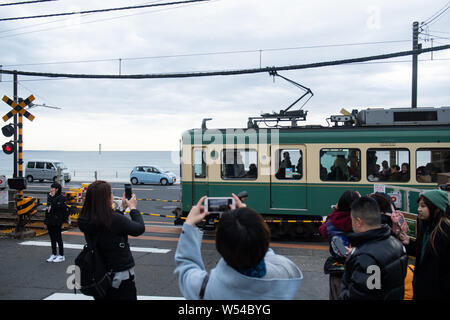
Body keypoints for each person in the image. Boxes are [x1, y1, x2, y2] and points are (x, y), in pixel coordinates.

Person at [174, 194, 303, 299]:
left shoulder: (204, 288)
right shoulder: (287, 271)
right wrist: (248, 221)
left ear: (220, 246)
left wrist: (189, 225)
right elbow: (266, 254)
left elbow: (186, 266)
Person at [78, 180, 145, 300]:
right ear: (106, 199)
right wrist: (133, 208)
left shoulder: (84, 219)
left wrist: (122, 208)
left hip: (100, 277)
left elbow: (108, 226)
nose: (112, 196)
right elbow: (138, 229)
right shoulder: (114, 220)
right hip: (120, 279)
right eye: (111, 194)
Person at [339, 196, 408, 300]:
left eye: (352, 220)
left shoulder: (366, 257)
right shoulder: (397, 244)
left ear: (358, 221)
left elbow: (359, 296)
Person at [405, 189, 450, 299]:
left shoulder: (445, 231)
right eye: (419, 206)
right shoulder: (426, 227)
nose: (419, 209)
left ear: (436, 208)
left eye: (423, 206)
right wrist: (407, 242)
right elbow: (421, 254)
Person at [319, 190, 360, 300]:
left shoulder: (334, 221)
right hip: (358, 268)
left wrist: (335, 211)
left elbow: (323, 230)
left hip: (339, 270)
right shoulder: (360, 221)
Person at [44, 182, 67, 263]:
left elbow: (56, 207)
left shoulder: (61, 198)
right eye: (51, 188)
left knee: (58, 238)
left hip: (57, 221)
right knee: (52, 238)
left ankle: (61, 255)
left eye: (53, 188)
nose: (51, 189)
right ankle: (53, 254)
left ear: (57, 189)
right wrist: (45, 222)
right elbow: (48, 209)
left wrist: (52, 198)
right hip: (50, 220)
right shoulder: (50, 197)